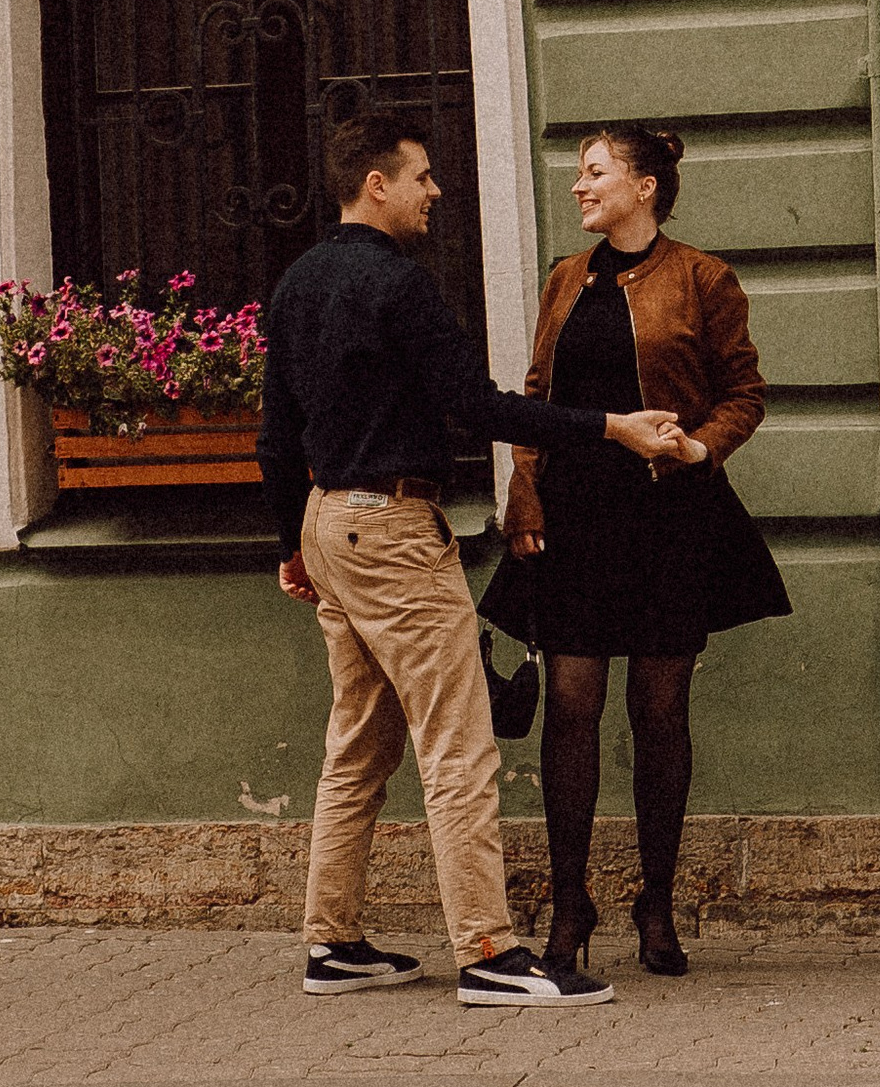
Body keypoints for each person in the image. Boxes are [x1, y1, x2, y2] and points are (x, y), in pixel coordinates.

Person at [260, 111, 693, 1006]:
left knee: (360, 743)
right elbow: (480, 406)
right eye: (421, 176)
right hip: (391, 528)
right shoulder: (400, 285)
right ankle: (490, 952)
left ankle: (332, 943)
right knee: (458, 748)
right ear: (376, 184)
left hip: (327, 523)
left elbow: (276, 436)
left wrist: (290, 547)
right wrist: (611, 426)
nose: (435, 191)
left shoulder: (298, 282)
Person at [486, 123, 790, 980]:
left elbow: (745, 392)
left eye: (595, 172)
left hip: (668, 516)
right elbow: (536, 397)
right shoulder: (564, 279)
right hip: (576, 516)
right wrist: (525, 490)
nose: (579, 187)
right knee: (572, 703)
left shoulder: (702, 278)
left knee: (660, 712)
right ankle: (569, 900)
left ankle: (656, 901)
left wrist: (698, 447)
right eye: (579, 174)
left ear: (645, 185)